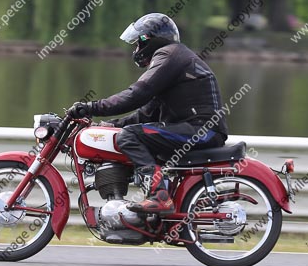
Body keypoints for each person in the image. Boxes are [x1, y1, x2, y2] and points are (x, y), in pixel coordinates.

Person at [68, 13, 228, 214]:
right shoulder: (174, 58)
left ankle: (159, 196)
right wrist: (112, 125)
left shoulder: (169, 55)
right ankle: (155, 200)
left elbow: (137, 94)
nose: (136, 49)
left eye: (138, 43)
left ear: (150, 40)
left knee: (129, 136)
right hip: (198, 129)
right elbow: (146, 114)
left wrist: (92, 107)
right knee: (129, 132)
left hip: (202, 130)